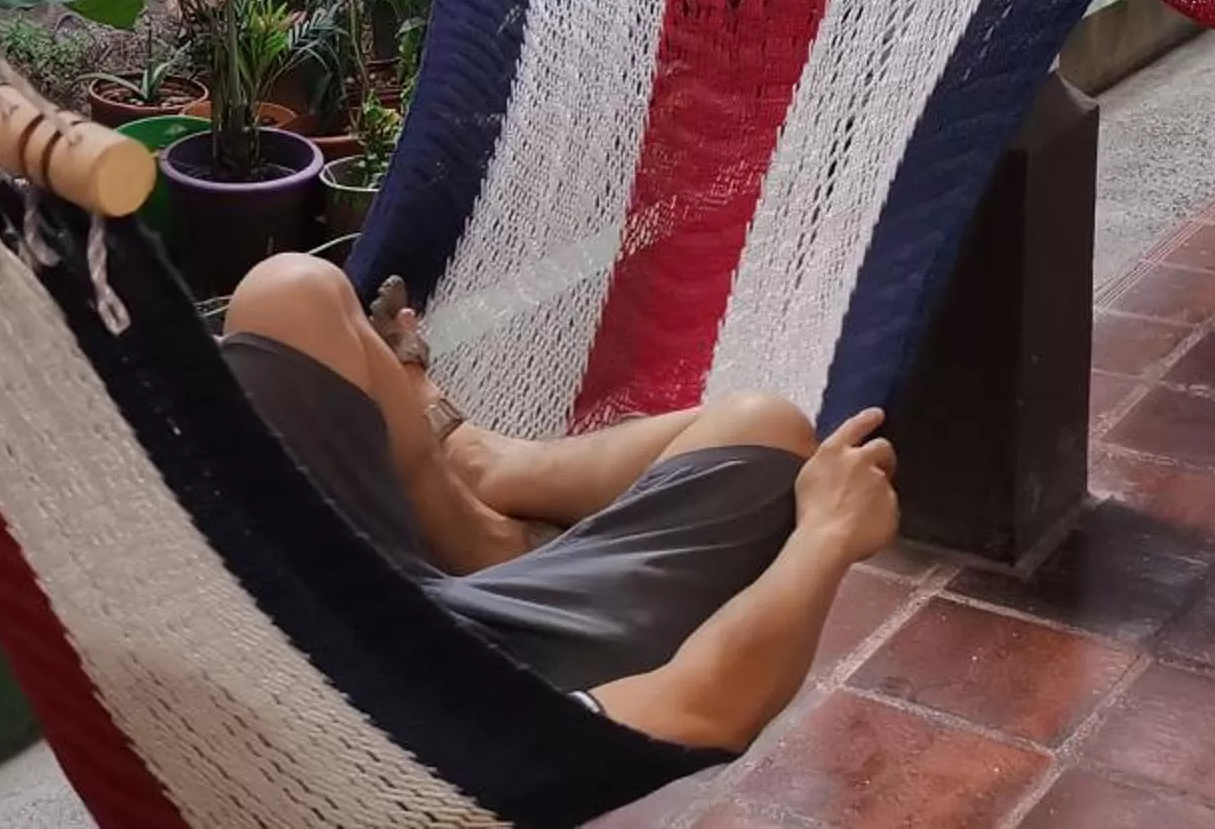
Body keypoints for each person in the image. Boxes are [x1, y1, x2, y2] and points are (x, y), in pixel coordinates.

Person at [220, 251, 900, 755]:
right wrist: (830, 533)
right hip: (478, 681)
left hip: (319, 601)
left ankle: (478, 482)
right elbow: (714, 708)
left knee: (293, 290)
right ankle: (482, 506)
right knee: (771, 435)